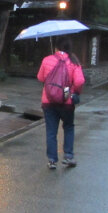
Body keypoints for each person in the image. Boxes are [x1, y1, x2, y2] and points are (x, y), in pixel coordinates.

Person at [37, 37, 85, 170]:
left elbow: (40, 77)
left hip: (49, 101)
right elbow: (80, 81)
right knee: (68, 127)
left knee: (51, 131)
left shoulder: (47, 60)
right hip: (67, 101)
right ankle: (68, 156)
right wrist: (75, 92)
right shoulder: (74, 61)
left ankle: (52, 160)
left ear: (56, 47)